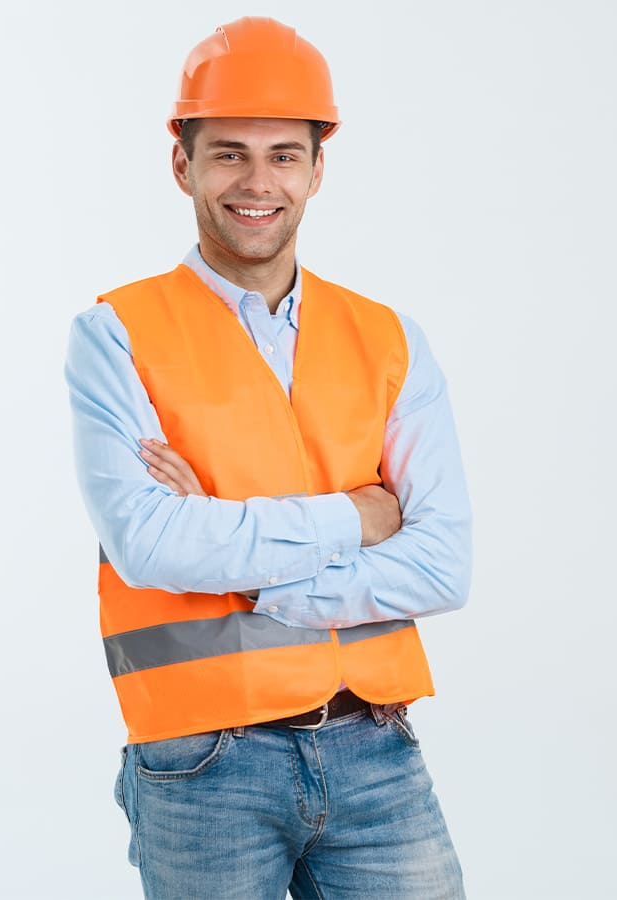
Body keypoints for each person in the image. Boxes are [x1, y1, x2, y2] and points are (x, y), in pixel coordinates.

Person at [66, 16, 471, 900]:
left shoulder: (389, 339)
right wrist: (359, 516)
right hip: (201, 765)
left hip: (378, 749)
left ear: (317, 170)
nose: (258, 183)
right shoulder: (117, 333)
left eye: (284, 155)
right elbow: (150, 546)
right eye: (229, 154)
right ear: (183, 165)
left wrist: (246, 575)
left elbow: (443, 566)